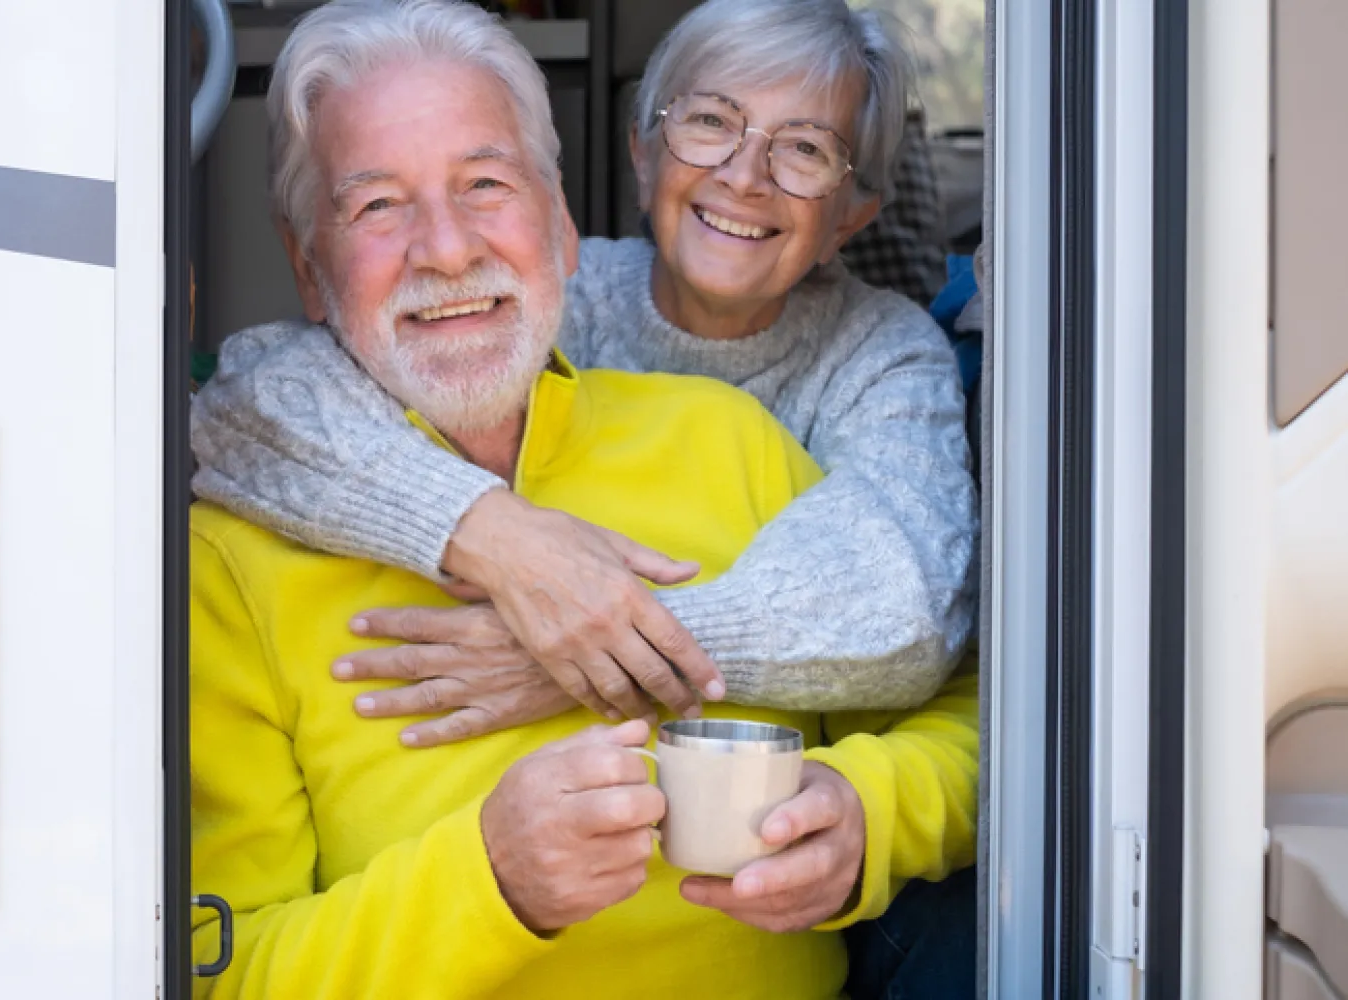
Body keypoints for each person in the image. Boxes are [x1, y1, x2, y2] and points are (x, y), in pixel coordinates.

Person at [193, 0, 981, 994]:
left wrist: (870, 807)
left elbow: (949, 673)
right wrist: (491, 879)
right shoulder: (230, 559)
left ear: (560, 222)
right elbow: (215, 972)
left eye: (484, 184)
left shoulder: (740, 437)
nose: (445, 249)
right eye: (377, 205)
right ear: (307, 265)